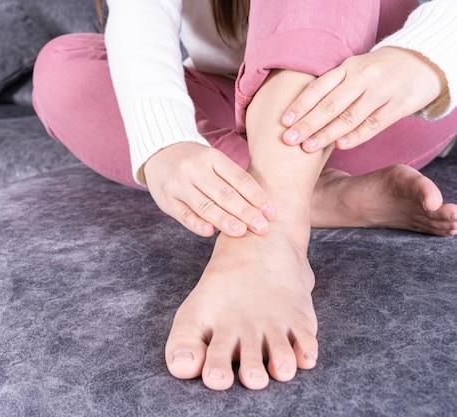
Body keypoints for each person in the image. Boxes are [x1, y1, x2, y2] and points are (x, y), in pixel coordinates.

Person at [32, 0, 457, 391]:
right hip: (234, 109)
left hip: (378, 105)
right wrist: (165, 143)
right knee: (61, 69)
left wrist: (423, 57)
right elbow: (141, 17)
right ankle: (323, 195)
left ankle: (270, 234)